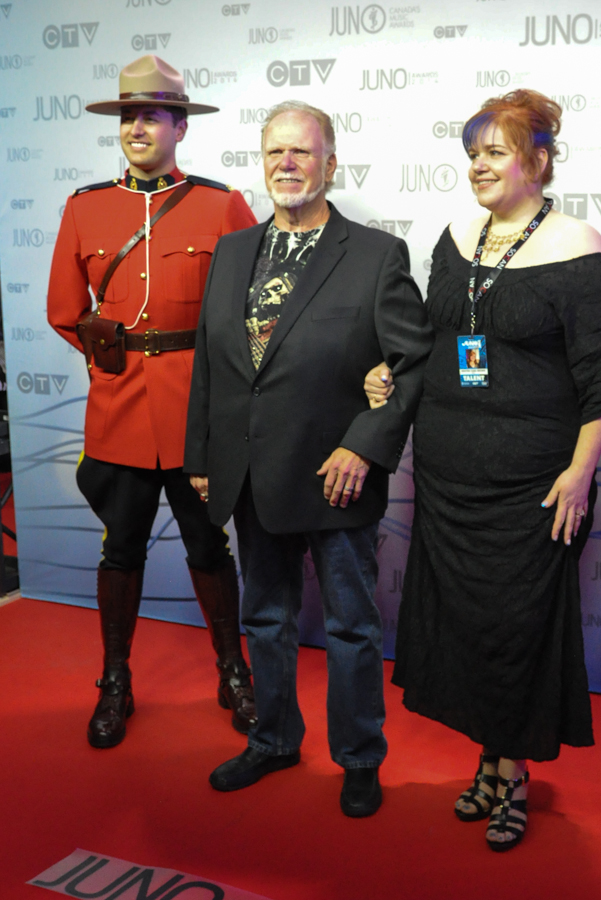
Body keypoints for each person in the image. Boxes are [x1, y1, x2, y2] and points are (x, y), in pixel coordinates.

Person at [365, 89, 601, 850]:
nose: (477, 164)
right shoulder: (453, 238)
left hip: (535, 483)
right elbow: (429, 339)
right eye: (472, 151)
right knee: (471, 629)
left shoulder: (580, 247)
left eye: (494, 151)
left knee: (517, 629)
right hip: (447, 474)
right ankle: (492, 760)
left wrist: (579, 474)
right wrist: (387, 372)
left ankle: (511, 776)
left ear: (538, 161)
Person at [184, 101, 433, 817]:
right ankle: (274, 738)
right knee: (264, 617)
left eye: (302, 152)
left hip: (335, 477)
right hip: (250, 472)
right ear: (263, 164)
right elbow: (212, 362)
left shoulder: (376, 255)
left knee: (352, 627)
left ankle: (359, 757)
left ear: (330, 163)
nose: (287, 165)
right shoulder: (235, 251)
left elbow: (411, 364)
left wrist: (364, 443)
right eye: (274, 154)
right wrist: (204, 452)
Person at [47, 56, 258, 749]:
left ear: (179, 126)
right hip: (119, 409)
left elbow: (255, 302)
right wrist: (112, 360)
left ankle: (234, 671)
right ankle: (114, 680)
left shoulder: (219, 203)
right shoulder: (84, 207)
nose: (138, 127)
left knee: (208, 542)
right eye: (129, 116)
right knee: (121, 548)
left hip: (197, 408)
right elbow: (63, 310)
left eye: (152, 116)